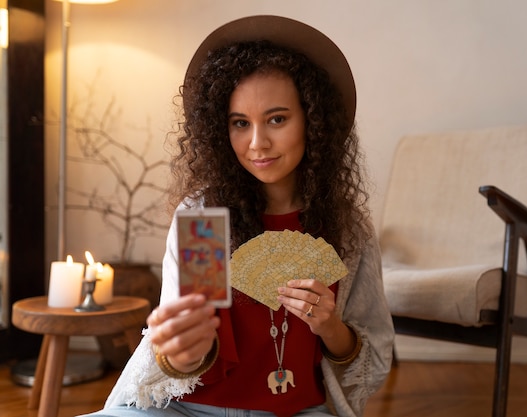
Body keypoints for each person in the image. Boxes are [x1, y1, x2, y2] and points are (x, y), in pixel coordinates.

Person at [83, 15, 394, 417]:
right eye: (240, 124)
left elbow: (372, 358)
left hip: (295, 411)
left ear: (313, 121)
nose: (257, 143)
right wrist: (178, 350)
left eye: (277, 119)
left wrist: (330, 327)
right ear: (220, 130)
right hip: (186, 409)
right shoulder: (204, 218)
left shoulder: (346, 229)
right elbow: (192, 346)